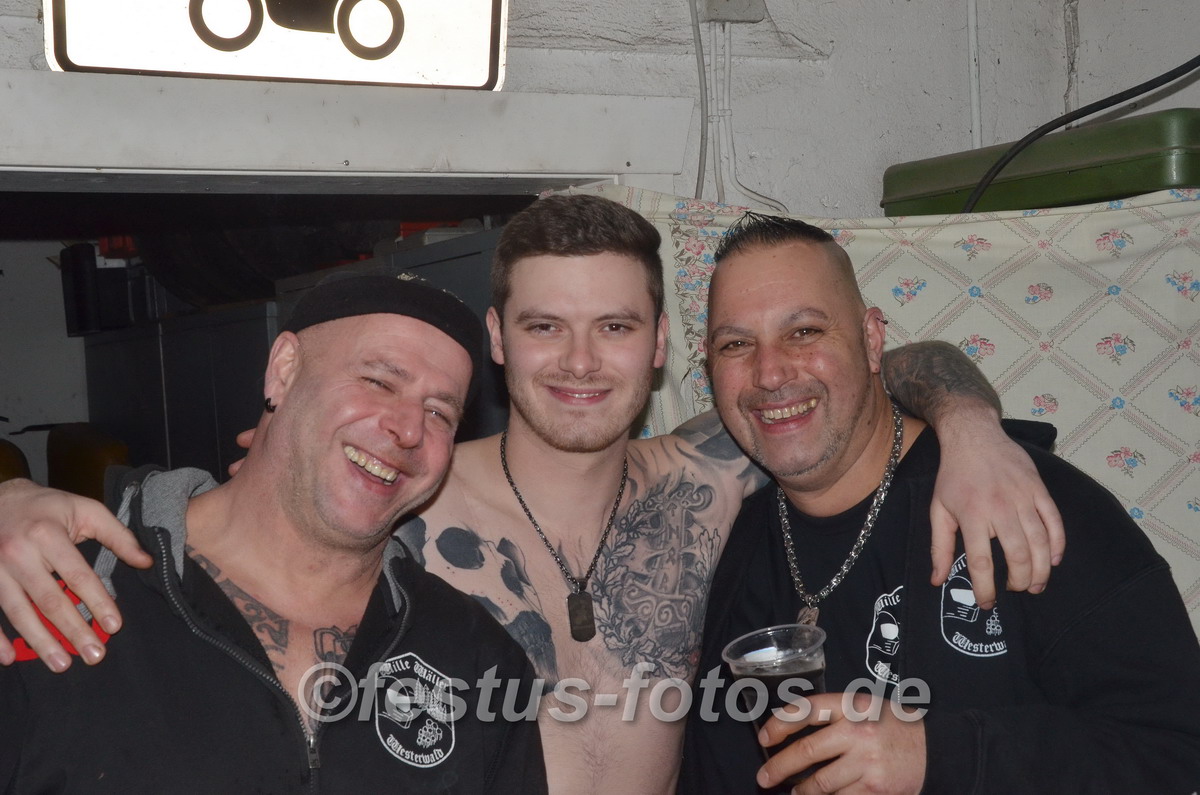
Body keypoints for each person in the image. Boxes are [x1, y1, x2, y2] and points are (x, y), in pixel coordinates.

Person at [0, 196, 1063, 795]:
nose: (581, 364)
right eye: (546, 327)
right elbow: (234, 522)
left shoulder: (712, 474)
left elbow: (859, 378)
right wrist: (17, 504)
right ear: (499, 340)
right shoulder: (404, 491)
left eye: (615, 328)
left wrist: (972, 427)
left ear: (661, 347)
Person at [681, 212, 1200, 793]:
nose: (771, 372)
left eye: (805, 332)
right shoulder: (718, 528)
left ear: (871, 340)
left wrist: (937, 756)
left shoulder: (1016, 503)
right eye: (736, 344)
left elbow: (1175, 750)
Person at [0, 273, 547, 792]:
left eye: (439, 413)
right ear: (283, 370)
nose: (408, 430)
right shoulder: (43, 587)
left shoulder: (476, 656)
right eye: (379, 381)